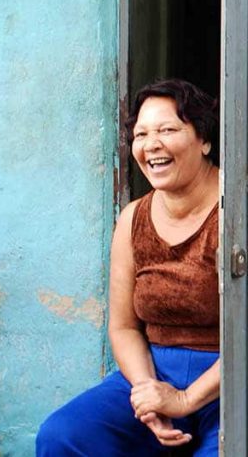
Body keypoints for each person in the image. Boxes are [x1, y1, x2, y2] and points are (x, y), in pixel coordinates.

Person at [37, 79, 222, 456]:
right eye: (141, 134)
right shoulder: (132, 219)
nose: (151, 144)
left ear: (204, 140)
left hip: (231, 378)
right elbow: (123, 326)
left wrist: (185, 399)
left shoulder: (237, 210)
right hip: (153, 371)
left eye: (167, 130)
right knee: (61, 436)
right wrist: (147, 395)